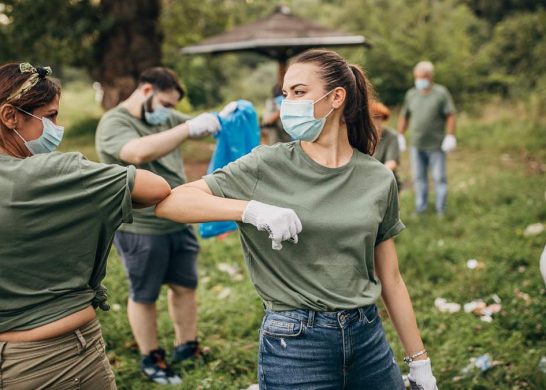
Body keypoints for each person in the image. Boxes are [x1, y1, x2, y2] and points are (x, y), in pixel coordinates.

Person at [155, 49, 438, 389]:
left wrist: (420, 362)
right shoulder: (267, 164)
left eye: (299, 92)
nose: (287, 103)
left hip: (368, 337)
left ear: (336, 98)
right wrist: (250, 210)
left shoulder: (378, 178)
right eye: (285, 94)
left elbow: (391, 279)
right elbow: (172, 203)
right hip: (295, 342)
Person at [0, 62, 171, 389]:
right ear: (10, 117)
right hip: (55, 360)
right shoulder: (53, 173)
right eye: (49, 117)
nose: (57, 127)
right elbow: (155, 188)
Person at [95, 66, 221, 384]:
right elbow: (136, 152)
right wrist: (189, 127)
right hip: (141, 227)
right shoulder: (115, 122)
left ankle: (186, 346)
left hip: (180, 219)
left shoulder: (162, 115)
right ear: (147, 91)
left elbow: (198, 126)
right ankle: (151, 357)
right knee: (144, 293)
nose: (169, 113)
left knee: (185, 286)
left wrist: (225, 115)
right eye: (166, 104)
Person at [397, 61, 457, 215]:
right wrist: (400, 135)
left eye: (422, 77)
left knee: (439, 178)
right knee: (419, 178)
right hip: (416, 145)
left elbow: (450, 115)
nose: (419, 80)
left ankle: (441, 209)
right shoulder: (411, 94)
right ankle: (421, 208)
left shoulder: (441, 93)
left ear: (430, 77)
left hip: (436, 145)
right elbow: (405, 116)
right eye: (416, 77)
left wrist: (450, 136)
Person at [371, 101, 402, 190]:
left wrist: (375, 176)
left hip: (385, 179)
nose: (376, 121)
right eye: (373, 117)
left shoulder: (391, 136)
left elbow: (392, 162)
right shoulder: (360, 136)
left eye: (379, 117)